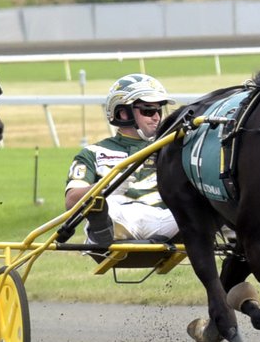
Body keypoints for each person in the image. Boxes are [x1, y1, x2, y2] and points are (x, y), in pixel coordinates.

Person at [64, 73, 178, 245]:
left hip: (164, 220)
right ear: (123, 113)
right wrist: (106, 186)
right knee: (109, 207)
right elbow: (71, 201)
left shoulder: (170, 148)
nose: (156, 117)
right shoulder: (92, 152)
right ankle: (102, 228)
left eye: (158, 110)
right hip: (119, 215)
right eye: (148, 110)